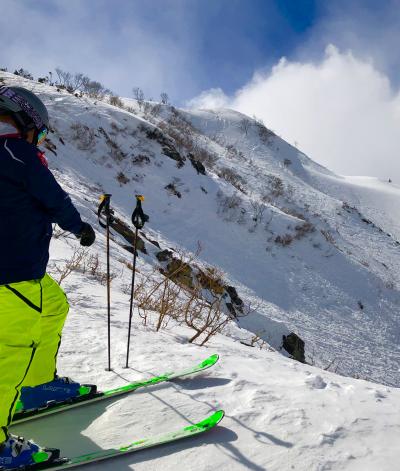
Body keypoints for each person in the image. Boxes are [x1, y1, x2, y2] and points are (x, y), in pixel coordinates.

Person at [0, 85, 96, 469]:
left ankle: (36, 388)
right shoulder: (16, 153)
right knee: (10, 354)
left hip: (23, 275)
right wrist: (80, 229)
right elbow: (53, 198)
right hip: (12, 276)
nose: (39, 141)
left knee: (54, 305)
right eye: (40, 133)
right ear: (24, 123)